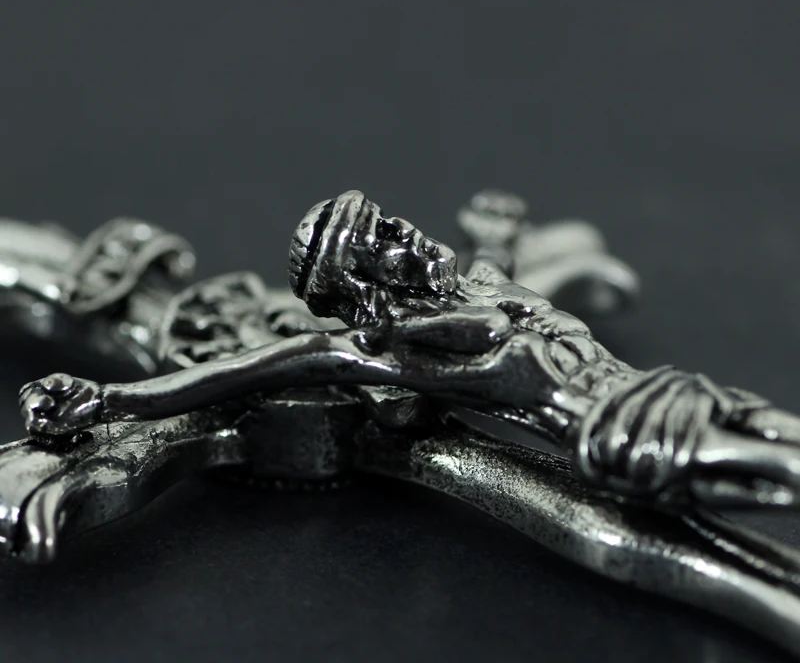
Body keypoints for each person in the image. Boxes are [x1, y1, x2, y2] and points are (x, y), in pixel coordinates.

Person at [19, 191, 800, 506]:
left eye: (388, 221)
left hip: (665, 387)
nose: (403, 232)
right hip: (625, 434)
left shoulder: (481, 279)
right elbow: (240, 370)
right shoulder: (383, 350)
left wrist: (494, 234)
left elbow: (509, 277)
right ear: (363, 287)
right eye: (380, 242)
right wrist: (108, 400)